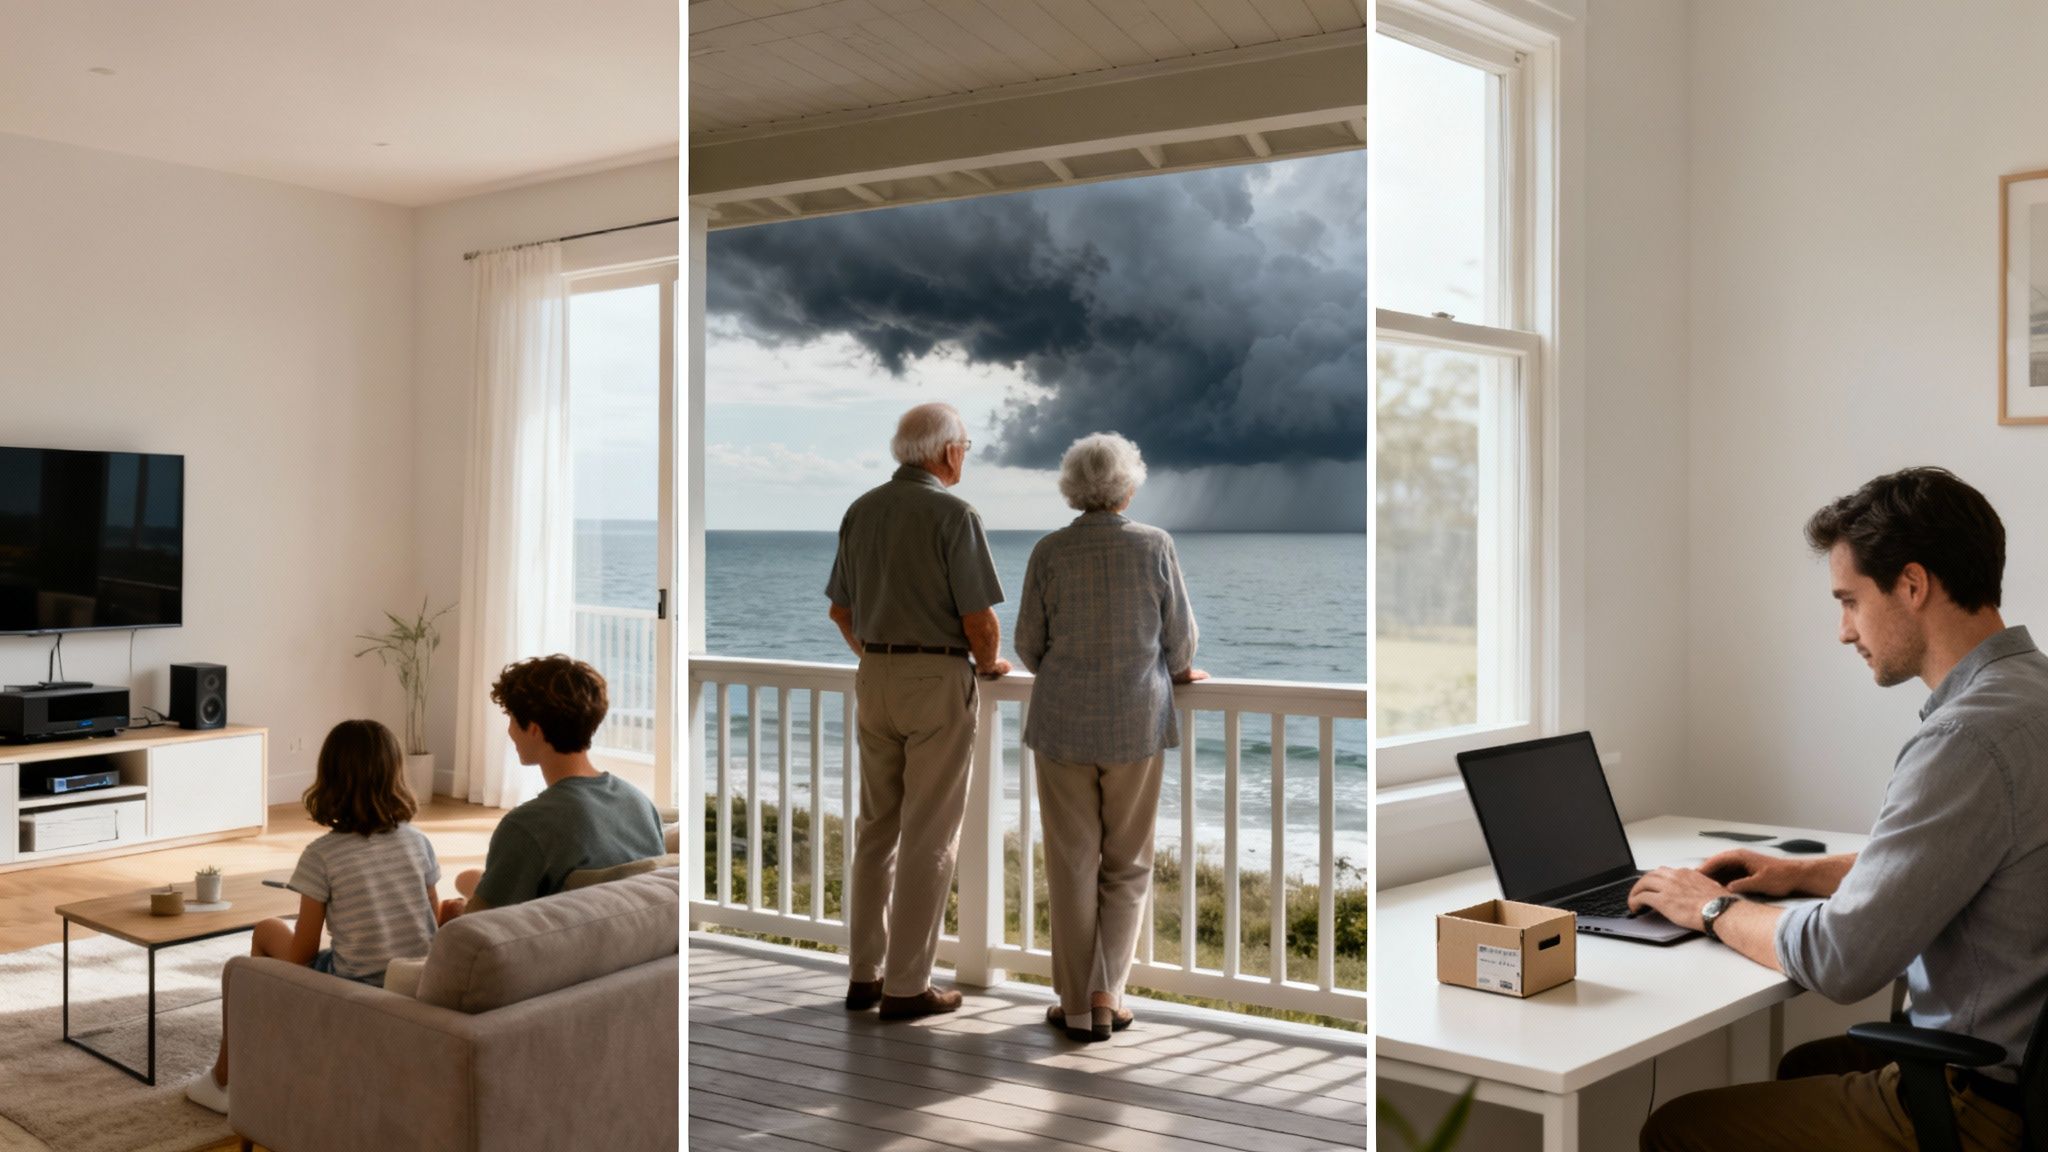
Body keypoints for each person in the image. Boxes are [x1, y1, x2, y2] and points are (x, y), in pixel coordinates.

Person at [1632, 467, 2047, 1152]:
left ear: (1912, 586)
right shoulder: (2031, 693)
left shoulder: (1965, 739)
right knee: (1802, 1068)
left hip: (1984, 1105)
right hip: (2025, 1071)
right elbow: (1968, 861)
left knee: (1678, 1131)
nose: (1843, 630)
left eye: (1850, 600)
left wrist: (1709, 907)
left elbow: (1841, 960)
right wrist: (1804, 873)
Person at [1014, 432, 1204, 1042]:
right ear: (1127, 486)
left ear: (1074, 488)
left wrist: (1069, 671)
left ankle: (1073, 1007)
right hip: (1136, 721)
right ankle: (1107, 997)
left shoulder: (1048, 551)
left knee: (1071, 864)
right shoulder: (1155, 545)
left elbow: (1027, 645)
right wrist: (1175, 672)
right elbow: (1181, 639)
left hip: (1062, 722)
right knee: (1127, 864)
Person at [827, 402, 1009, 1021]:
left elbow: (840, 612)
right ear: (949, 451)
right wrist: (987, 666)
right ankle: (907, 987)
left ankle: (864, 976)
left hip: (873, 675)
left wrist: (880, 656)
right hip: (936, 678)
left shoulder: (861, 509)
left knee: (877, 829)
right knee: (931, 833)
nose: (966, 457)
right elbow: (979, 620)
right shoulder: (954, 514)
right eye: (966, 447)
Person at [186, 719, 441, 1114]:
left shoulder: (322, 855)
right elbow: (432, 918)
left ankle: (226, 1078)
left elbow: (301, 952)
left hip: (356, 986)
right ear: (395, 776)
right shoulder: (418, 842)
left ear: (330, 780)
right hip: (414, 983)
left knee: (267, 931)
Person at [439, 654, 665, 920]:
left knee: (459, 896)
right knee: (468, 879)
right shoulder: (639, 802)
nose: (509, 731)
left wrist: (456, 912)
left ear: (534, 730)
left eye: (511, 719)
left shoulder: (527, 825)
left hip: (555, 946)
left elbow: (480, 928)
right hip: (625, 937)